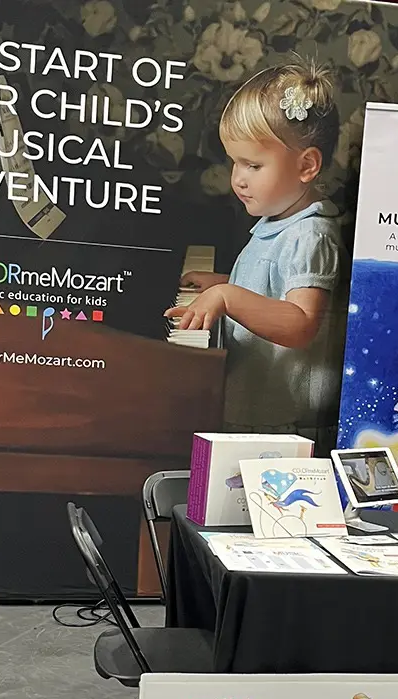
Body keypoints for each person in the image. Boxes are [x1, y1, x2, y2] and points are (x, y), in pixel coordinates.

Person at [165, 60, 344, 450]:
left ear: (306, 165)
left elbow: (300, 323)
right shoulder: (280, 217)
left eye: (253, 164)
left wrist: (230, 297)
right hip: (260, 402)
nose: (238, 178)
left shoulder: (310, 234)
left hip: (283, 420)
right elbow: (272, 288)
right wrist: (229, 282)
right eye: (235, 162)